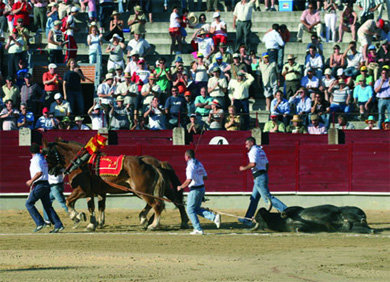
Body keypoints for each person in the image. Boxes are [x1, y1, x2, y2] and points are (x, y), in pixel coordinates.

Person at [239, 137, 287, 227]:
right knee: (254, 199)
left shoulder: (253, 151)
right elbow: (267, 164)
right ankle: (247, 219)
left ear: (251, 142)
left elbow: (253, 164)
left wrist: (244, 168)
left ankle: (286, 210)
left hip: (259, 177)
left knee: (267, 198)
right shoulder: (260, 150)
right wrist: (263, 173)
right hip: (262, 175)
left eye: (247, 144)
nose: (246, 146)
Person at [177, 149, 221, 235]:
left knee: (190, 210)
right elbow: (205, 177)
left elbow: (189, 180)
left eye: (185, 156)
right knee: (196, 209)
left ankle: (198, 229)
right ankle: (214, 217)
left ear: (188, 157)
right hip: (201, 188)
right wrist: (198, 177)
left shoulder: (190, 166)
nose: (184, 157)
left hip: (195, 189)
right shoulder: (199, 163)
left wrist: (181, 187)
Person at [25, 143, 64, 233]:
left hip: (40, 185)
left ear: (31, 152)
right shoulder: (42, 158)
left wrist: (31, 181)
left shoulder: (36, 159)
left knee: (29, 204)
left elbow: (39, 172)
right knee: (47, 206)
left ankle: (40, 223)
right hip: (46, 184)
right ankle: (58, 225)